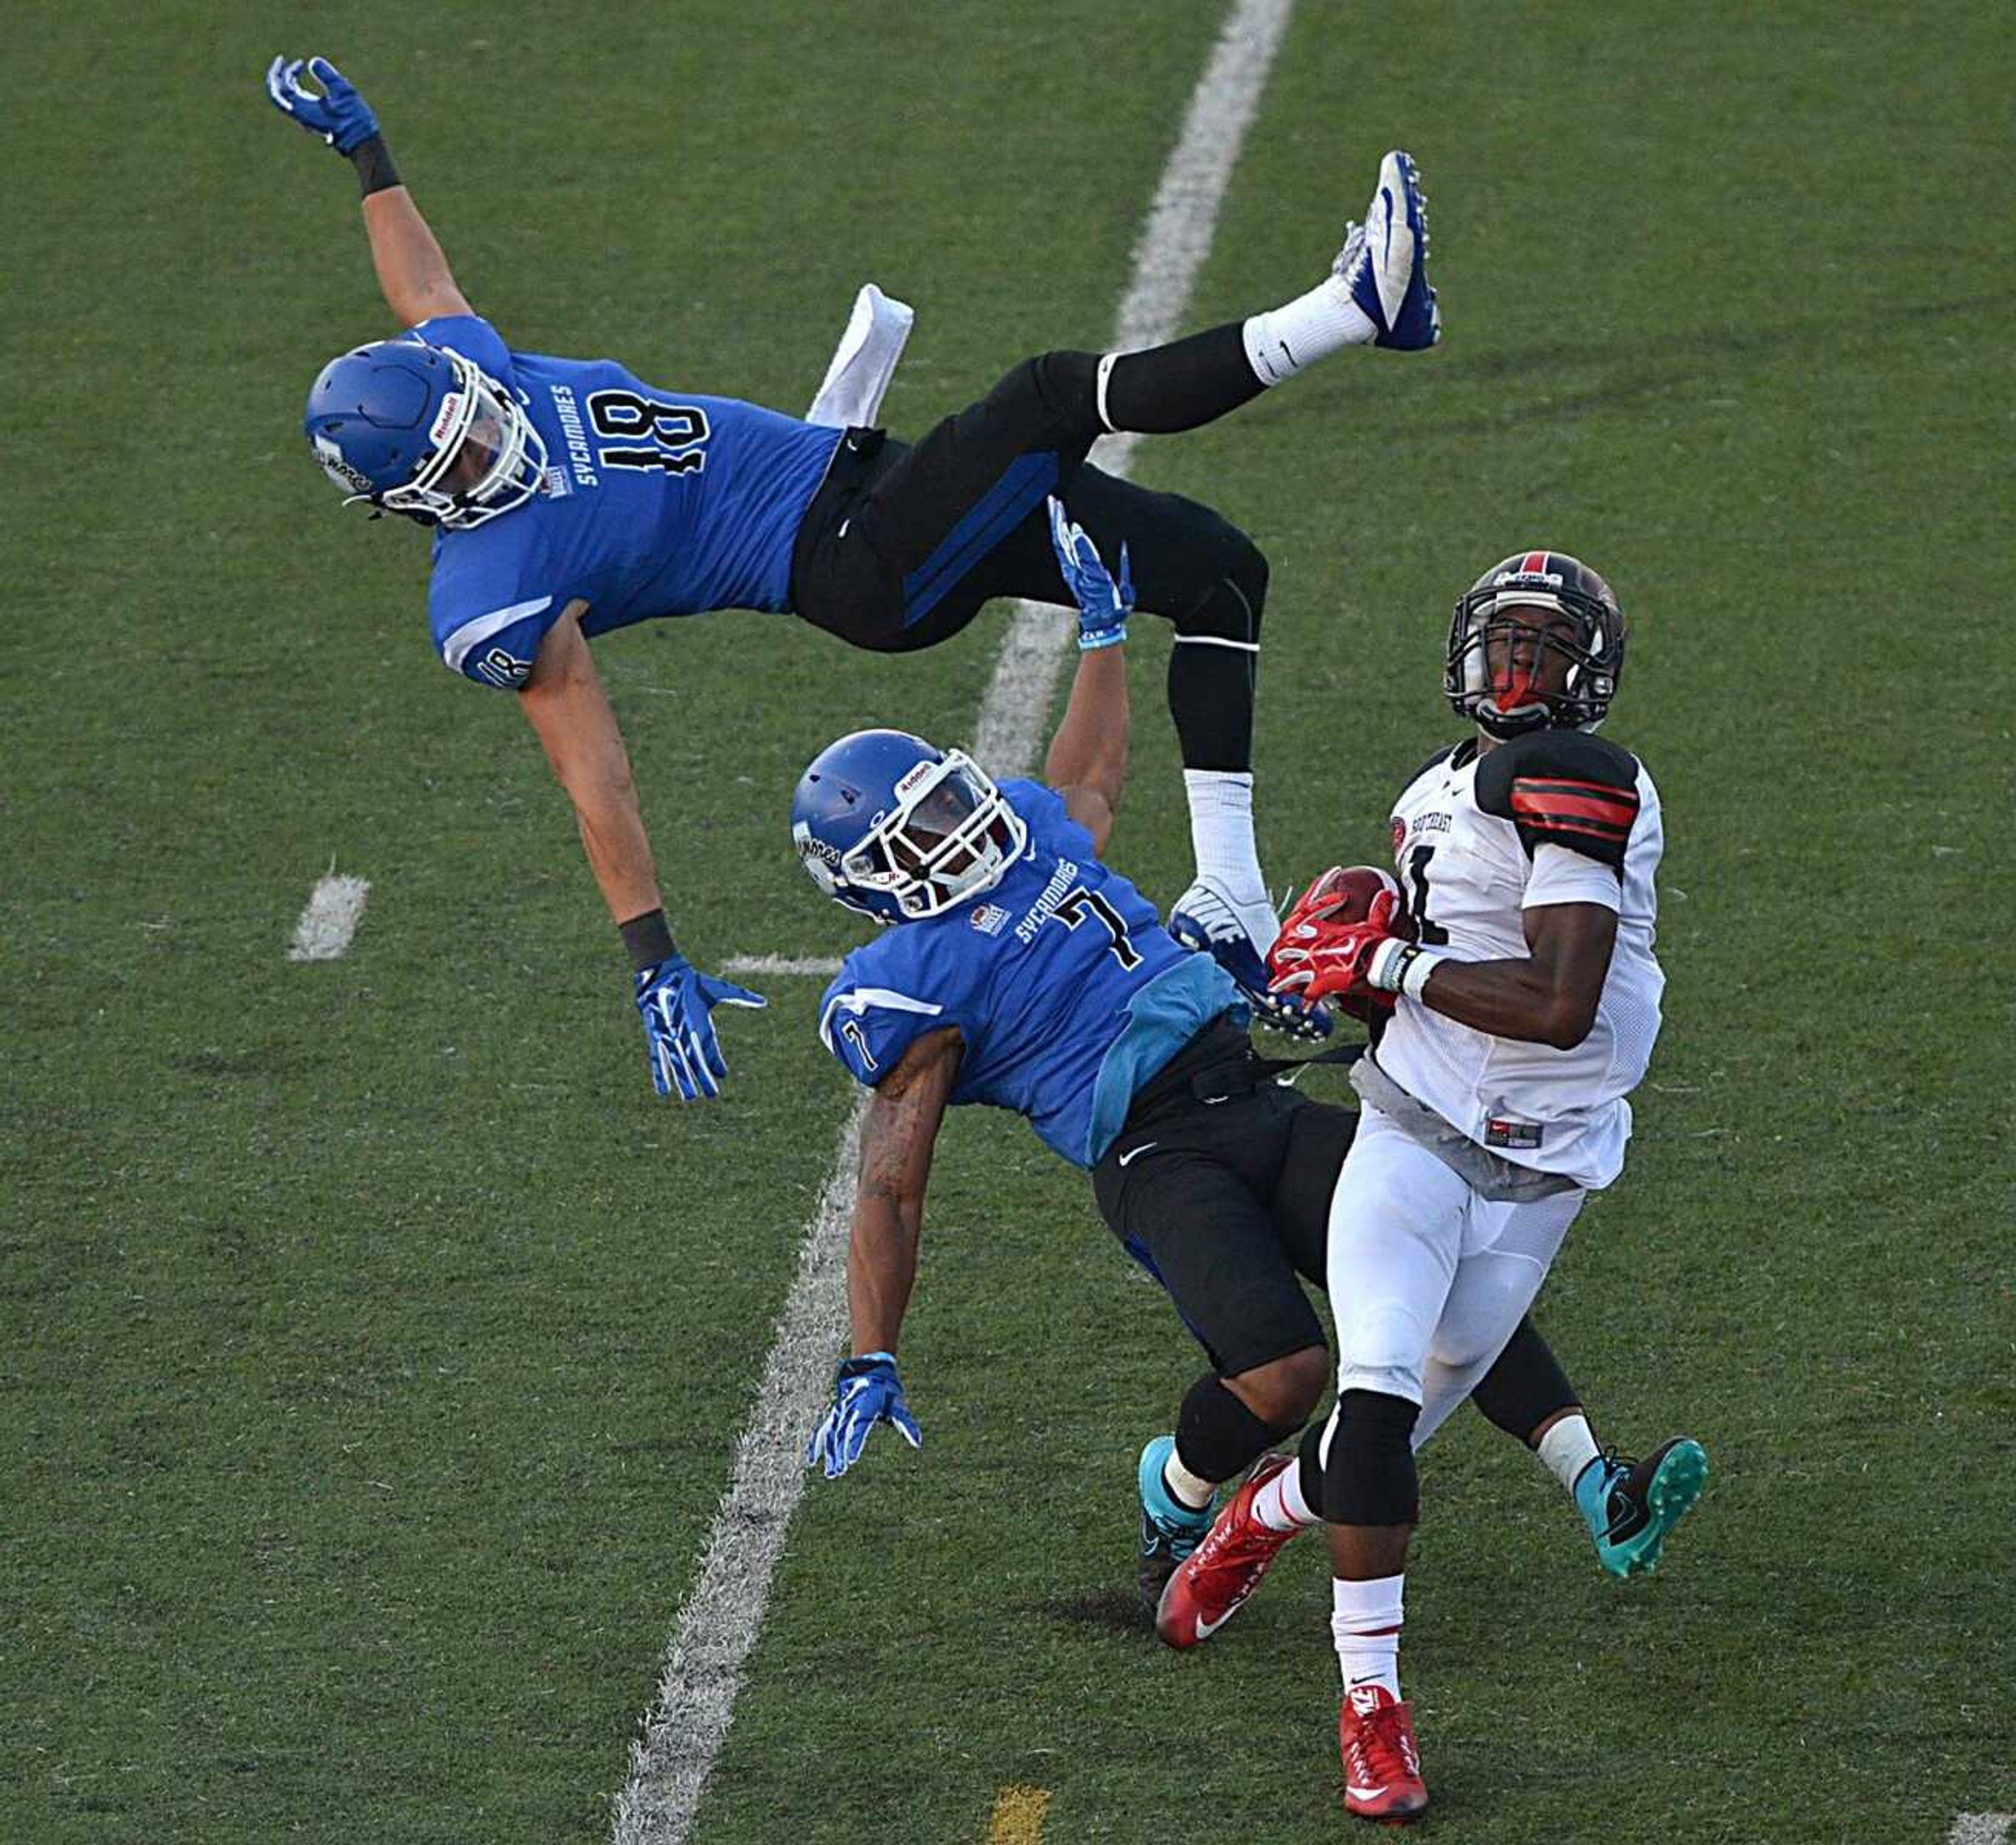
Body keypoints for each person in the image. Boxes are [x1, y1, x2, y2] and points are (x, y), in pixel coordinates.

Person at [266, 53, 1445, 1098]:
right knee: (1042, 396)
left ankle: (1231, 900)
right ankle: (1349, 311)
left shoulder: (474, 362)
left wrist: (368, 155)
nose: (489, 444)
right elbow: (596, 772)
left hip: (866, 481)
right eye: (458, 458)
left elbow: (424, 289)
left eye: (473, 420)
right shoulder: (493, 591)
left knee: (1218, 576)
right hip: (859, 563)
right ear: (408, 502)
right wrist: (650, 951)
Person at [795, 509, 1657, 1614]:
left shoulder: (1024, 834)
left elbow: (1091, 779)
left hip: (1249, 1087)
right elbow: (888, 1184)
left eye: (946, 804)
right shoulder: (908, 980)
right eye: (912, 841)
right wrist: (873, 1348)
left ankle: (1591, 1475)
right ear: (866, 884)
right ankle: (1181, 1487)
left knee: (1443, 1268)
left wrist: (1103, 632)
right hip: (1154, 1152)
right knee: (1285, 1374)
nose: (952, 833)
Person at [1154, 550, 1711, 1822]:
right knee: (1378, 1388)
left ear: (1591, 675)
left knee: (1376, 1445)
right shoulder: (1430, 794)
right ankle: (1371, 1710)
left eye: (1545, 646)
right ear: (1464, 654)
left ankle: (1257, 1519)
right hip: (1410, 1128)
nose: (1518, 665)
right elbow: (1411, 962)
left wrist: (1389, 964)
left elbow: (1562, 1007)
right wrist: (1343, 972)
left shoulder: (1579, 777)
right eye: (1501, 641)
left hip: (1543, 1165)